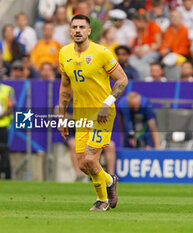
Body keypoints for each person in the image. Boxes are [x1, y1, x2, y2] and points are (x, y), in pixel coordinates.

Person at [58, 14, 128, 211]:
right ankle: (109, 180)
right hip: (81, 115)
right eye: (74, 27)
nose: (78, 30)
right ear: (70, 31)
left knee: (90, 159)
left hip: (102, 113)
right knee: (83, 165)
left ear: (89, 31)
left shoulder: (102, 53)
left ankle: (102, 201)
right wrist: (62, 115)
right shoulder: (64, 53)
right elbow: (65, 86)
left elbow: (122, 79)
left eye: (82, 27)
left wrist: (107, 102)